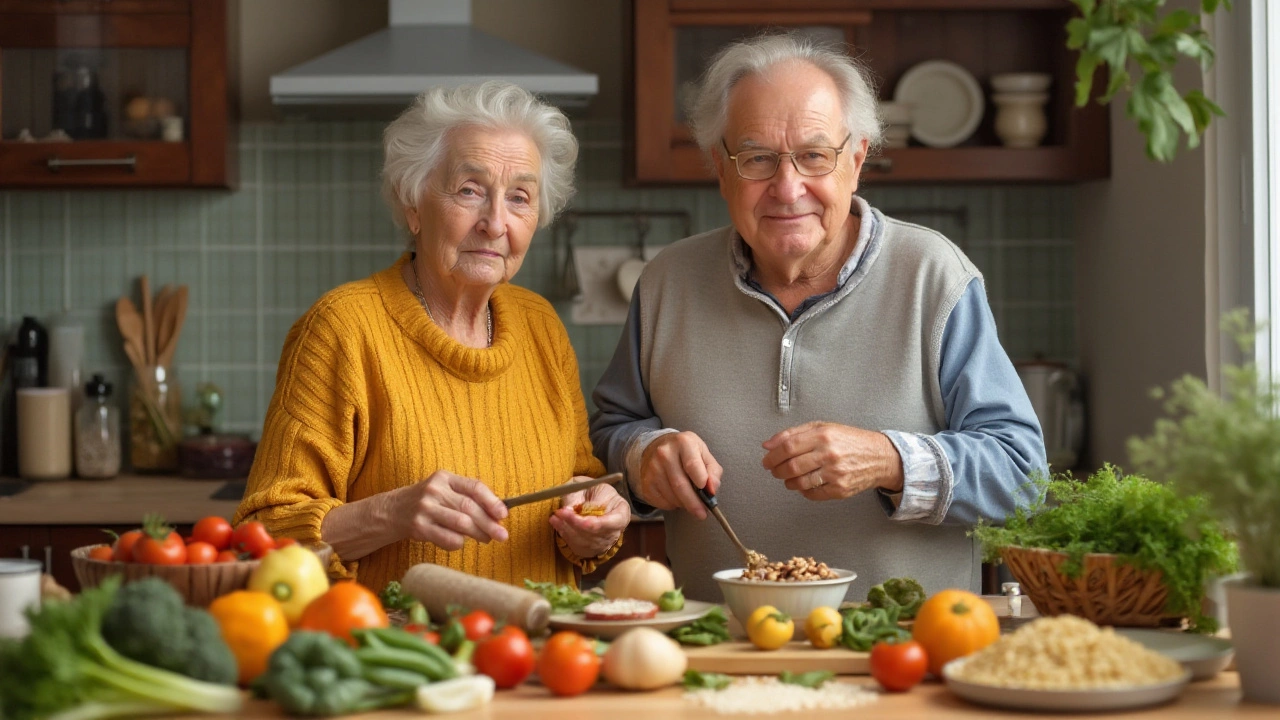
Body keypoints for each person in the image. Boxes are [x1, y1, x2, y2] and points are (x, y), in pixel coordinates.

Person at [590, 33, 1047, 602]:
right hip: (716, 648)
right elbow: (610, 434)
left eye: (814, 156)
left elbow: (1022, 474)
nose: (787, 187)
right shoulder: (666, 282)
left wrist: (888, 459)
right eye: (757, 158)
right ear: (721, 168)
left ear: (855, 161)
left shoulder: (934, 276)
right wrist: (644, 456)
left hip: (901, 652)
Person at [236, 82, 629, 593]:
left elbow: (578, 492)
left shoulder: (542, 327)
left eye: (519, 198)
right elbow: (260, 538)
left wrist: (592, 522)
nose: (495, 223)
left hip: (538, 657)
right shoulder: (343, 328)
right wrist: (388, 514)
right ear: (413, 205)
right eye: (470, 190)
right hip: (396, 655)